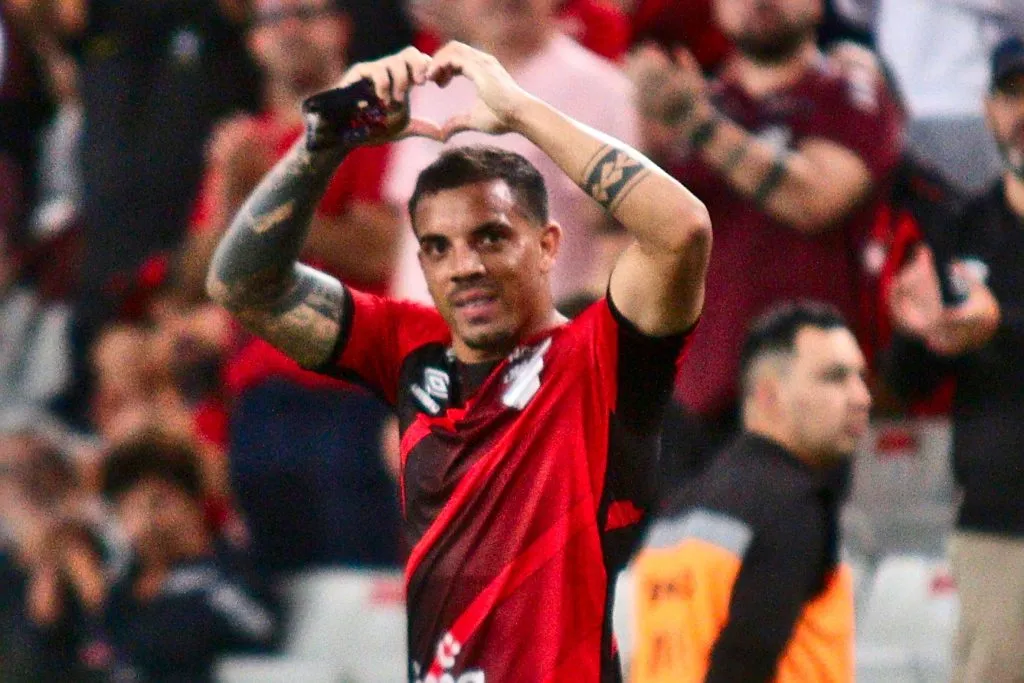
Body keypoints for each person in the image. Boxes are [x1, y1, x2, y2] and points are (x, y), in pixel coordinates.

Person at [206, 40, 711, 682]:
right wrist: (326, 140)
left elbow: (682, 230)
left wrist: (522, 111)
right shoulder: (409, 347)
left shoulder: (598, 361)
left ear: (548, 245)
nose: (465, 266)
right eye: (438, 248)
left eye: (492, 237)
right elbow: (241, 284)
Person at [631, 0, 901, 484]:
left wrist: (695, 123)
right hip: (696, 402)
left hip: (812, 399)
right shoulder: (694, 102)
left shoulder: (848, 93)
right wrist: (647, 140)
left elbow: (816, 200)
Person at [630, 302, 870, 683]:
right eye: (834, 378)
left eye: (861, 377)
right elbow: (744, 663)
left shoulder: (681, 506)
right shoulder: (794, 505)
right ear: (769, 395)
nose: (861, 397)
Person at [885, 35, 1024, 683]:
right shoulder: (962, 228)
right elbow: (907, 383)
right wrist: (917, 330)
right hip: (999, 520)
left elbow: (991, 328)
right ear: (988, 107)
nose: (1023, 112)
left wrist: (999, 328)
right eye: (1012, 94)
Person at [393, 0, 640, 304]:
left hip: (541, 332)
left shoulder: (601, 90)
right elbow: (406, 232)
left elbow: (618, 237)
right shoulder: (431, 86)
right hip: (428, 330)